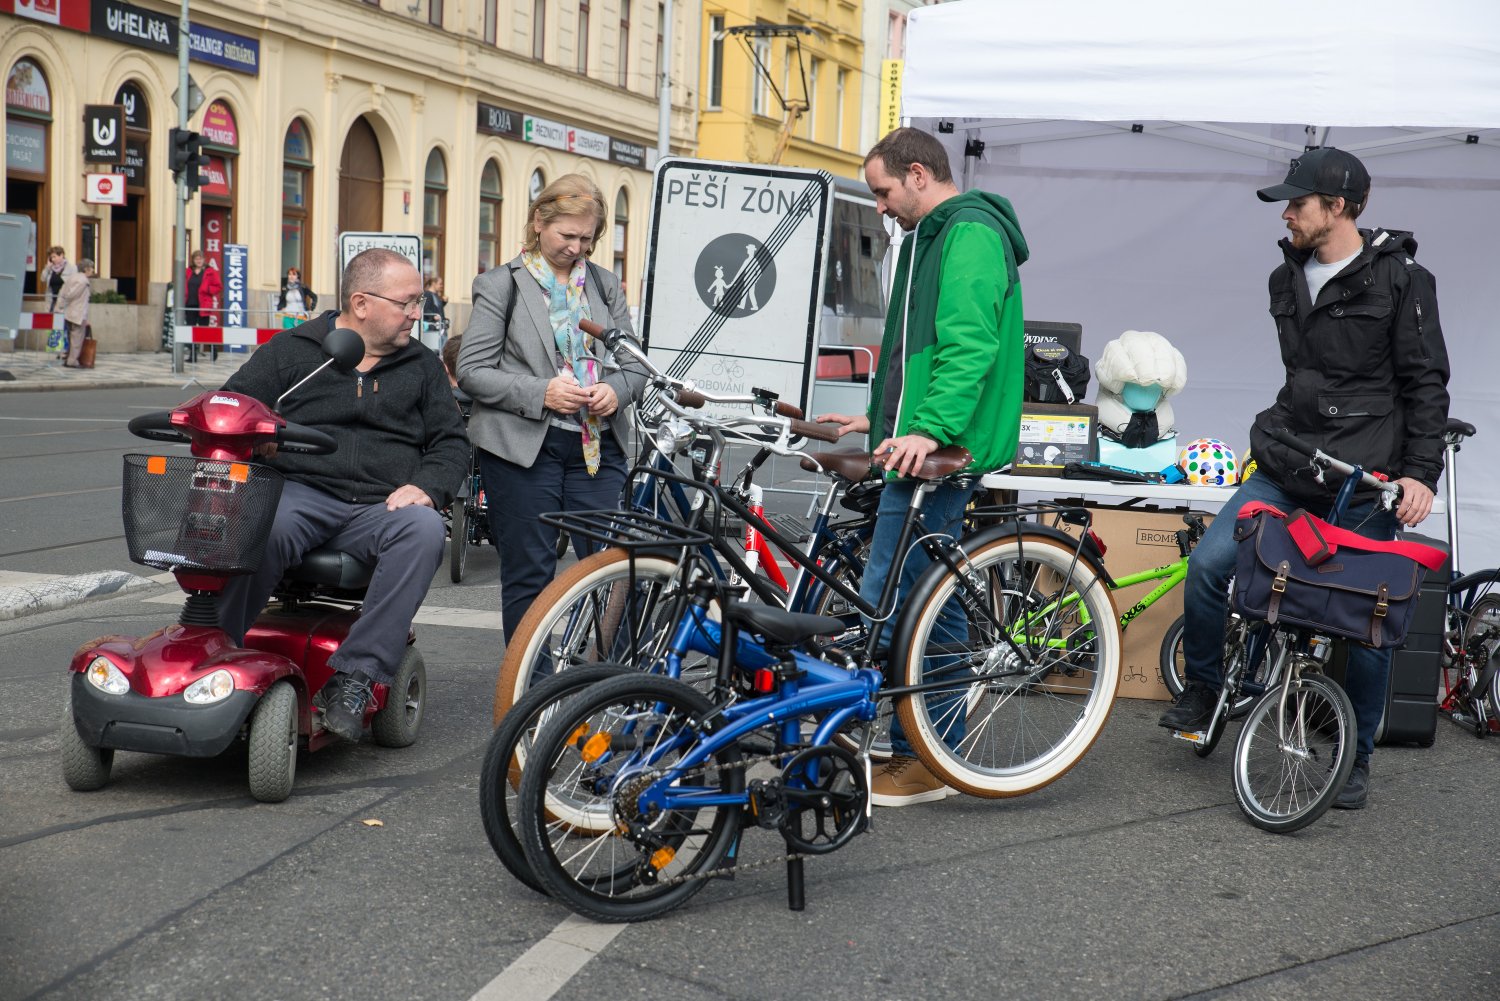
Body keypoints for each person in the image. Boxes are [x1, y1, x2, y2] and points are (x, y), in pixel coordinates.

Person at [1158, 147, 1451, 810]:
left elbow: (1424, 384)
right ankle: (1203, 689)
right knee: (1208, 567)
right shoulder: (1283, 278)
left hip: (1362, 477)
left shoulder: (1405, 282)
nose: (1286, 213)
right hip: (1289, 463)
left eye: (1298, 202)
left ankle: (1357, 759)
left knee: (1366, 620)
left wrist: (1419, 474)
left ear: (1340, 207)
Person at [815, 126, 1030, 807]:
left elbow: (970, 346)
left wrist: (927, 428)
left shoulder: (965, 234)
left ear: (916, 174)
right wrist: (881, 422)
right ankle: (930, 748)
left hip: (942, 452)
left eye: (881, 191)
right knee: (927, 598)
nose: (877, 206)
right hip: (925, 445)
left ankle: (928, 758)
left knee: (911, 600)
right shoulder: (934, 236)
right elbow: (920, 351)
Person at [216, 248, 470, 741]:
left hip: (383, 504)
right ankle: (218, 649)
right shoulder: (293, 351)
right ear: (361, 303)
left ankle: (356, 678)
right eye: (408, 303)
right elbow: (234, 407)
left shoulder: (421, 366)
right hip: (300, 490)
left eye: (419, 303)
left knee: (423, 529)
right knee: (260, 522)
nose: (418, 314)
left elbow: (451, 442)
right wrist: (255, 434)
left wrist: (428, 486)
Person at [456, 174, 648, 642]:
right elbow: (473, 371)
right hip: (523, 452)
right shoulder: (500, 284)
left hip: (596, 450)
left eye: (587, 238)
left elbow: (636, 364)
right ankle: (531, 699)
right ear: (539, 222)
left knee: (611, 571)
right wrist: (541, 391)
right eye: (567, 235)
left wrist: (615, 391)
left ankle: (608, 688)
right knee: (529, 578)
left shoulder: (603, 285)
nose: (577, 247)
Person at [56, 259, 95, 368]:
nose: (93, 270)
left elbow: (63, 292)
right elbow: (71, 295)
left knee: (71, 337)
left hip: (69, 313)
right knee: (77, 339)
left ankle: (69, 358)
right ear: (86, 269)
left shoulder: (72, 277)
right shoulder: (83, 281)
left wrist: (61, 306)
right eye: (92, 268)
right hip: (77, 314)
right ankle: (72, 361)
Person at [183, 250, 222, 326]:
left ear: (204, 260)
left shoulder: (211, 272)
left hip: (204, 305)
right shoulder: (188, 271)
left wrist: (207, 289)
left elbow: (218, 287)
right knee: (190, 327)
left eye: (200, 259)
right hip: (190, 304)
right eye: (196, 259)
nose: (199, 261)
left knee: (203, 329)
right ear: (193, 260)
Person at [39, 246, 76, 311]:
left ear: (61, 255)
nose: (52, 259)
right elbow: (42, 279)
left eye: (54, 257)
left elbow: (74, 285)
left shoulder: (71, 268)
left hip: (64, 301)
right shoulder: (50, 268)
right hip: (51, 301)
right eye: (51, 257)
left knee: (61, 319)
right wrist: (47, 268)